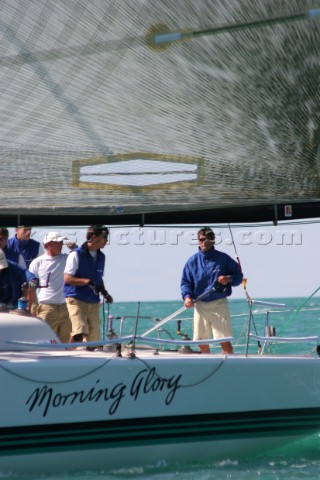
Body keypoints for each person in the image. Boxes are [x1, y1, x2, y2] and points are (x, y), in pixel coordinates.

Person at [181, 227, 243, 355]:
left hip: (218, 303)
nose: (204, 242)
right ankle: (206, 368)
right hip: (200, 304)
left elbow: (239, 276)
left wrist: (228, 278)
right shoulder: (192, 261)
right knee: (201, 341)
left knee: (224, 340)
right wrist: (187, 297)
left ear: (213, 240)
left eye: (207, 239)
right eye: (201, 239)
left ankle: (228, 365)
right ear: (198, 241)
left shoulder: (224, 258)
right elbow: (186, 282)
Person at [64, 225, 113, 345]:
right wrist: (87, 282)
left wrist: (105, 293)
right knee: (80, 331)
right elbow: (67, 279)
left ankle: (92, 359)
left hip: (93, 301)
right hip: (76, 299)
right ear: (94, 237)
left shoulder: (102, 257)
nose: (107, 240)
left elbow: (99, 278)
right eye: (104, 237)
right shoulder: (76, 255)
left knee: (94, 339)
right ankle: (69, 355)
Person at [27, 231, 72, 343]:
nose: (61, 244)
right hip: (46, 307)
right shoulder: (37, 263)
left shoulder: (68, 258)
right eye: (58, 242)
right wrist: (31, 309)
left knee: (67, 342)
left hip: (66, 307)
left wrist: (74, 247)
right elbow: (31, 287)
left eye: (61, 242)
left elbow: (81, 256)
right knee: (45, 341)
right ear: (48, 245)